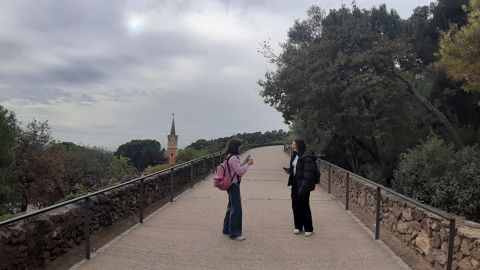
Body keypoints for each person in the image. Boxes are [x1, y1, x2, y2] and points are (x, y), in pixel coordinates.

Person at [284, 139, 319, 237]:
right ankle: (298, 226)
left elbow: (308, 173)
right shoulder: (295, 154)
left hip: (304, 183)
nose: (292, 145)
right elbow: (295, 168)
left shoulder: (307, 156)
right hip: (295, 182)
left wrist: (303, 187)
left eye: (293, 144)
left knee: (304, 205)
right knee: (295, 204)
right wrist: (289, 170)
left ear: (298, 145)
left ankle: (308, 228)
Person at [222, 138, 254, 241]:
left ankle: (227, 229)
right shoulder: (234, 158)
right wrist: (247, 164)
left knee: (231, 207)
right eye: (239, 146)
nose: (240, 148)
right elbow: (240, 171)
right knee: (236, 209)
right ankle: (234, 233)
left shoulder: (229, 156)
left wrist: (244, 164)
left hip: (230, 184)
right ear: (236, 147)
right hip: (233, 185)